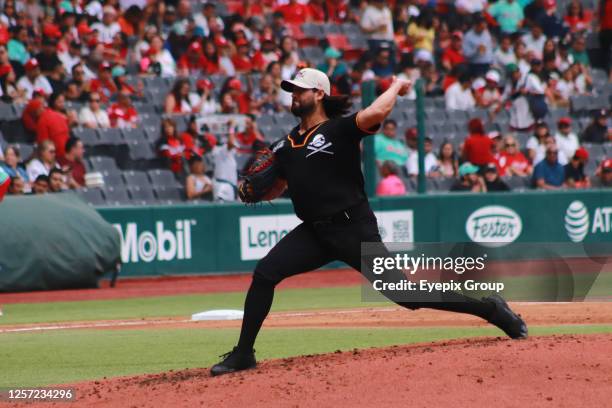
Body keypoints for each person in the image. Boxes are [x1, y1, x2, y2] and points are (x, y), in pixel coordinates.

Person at [210, 68, 527, 376]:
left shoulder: (339, 130)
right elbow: (277, 186)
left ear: (319, 94)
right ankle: (243, 353)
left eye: (299, 89)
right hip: (314, 233)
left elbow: (374, 113)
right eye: (291, 90)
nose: (293, 95)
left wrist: (396, 87)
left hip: (353, 228)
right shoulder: (285, 145)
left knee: (406, 294)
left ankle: (490, 309)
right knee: (265, 273)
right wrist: (252, 190)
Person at [36, 92, 72, 160]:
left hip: (61, 155)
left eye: (62, 101)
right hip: (55, 156)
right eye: (59, 101)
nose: (62, 104)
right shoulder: (45, 117)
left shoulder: (62, 117)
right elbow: (43, 142)